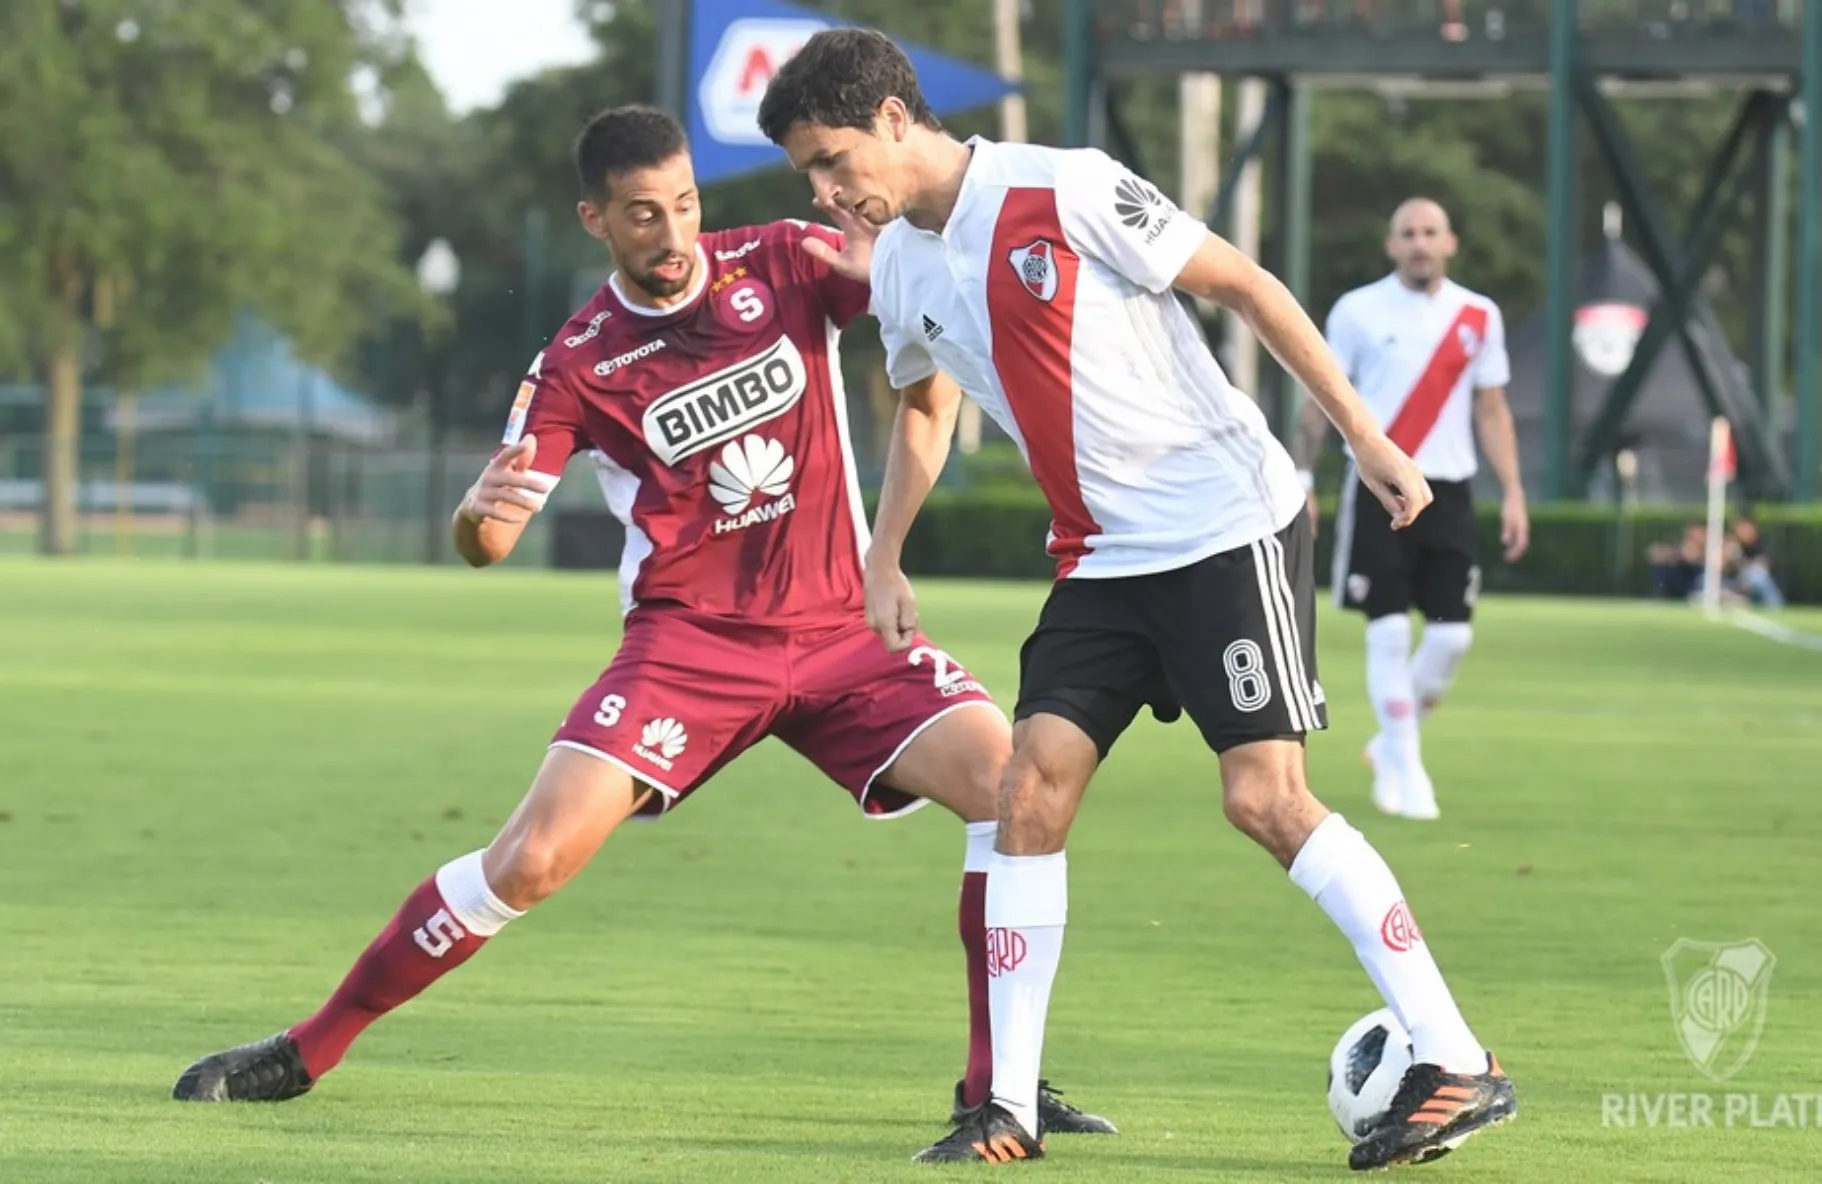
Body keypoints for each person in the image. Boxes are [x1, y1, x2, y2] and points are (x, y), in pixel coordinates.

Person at [170, 104, 1116, 1148]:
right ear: (594, 220)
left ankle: (1001, 1084)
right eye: (639, 216)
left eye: (683, 206)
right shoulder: (579, 358)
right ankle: (309, 1047)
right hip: (690, 650)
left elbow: (918, 292)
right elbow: (487, 540)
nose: (670, 237)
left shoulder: (787, 261)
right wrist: (472, 515)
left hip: (846, 632)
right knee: (529, 857)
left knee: (1013, 788)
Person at [758, 29, 1517, 1172]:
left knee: (1264, 798)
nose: (825, 191)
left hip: (1224, 526)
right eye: (807, 175)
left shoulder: (1061, 186)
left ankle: (1455, 1055)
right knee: (1030, 788)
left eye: (829, 160)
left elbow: (1247, 286)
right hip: (1101, 558)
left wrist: (1368, 438)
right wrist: (883, 553)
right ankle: (1004, 1106)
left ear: (894, 120)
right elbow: (925, 411)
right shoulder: (901, 264)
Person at [1295, 198, 1529, 821]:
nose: (1420, 243)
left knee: (1452, 637)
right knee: (1391, 628)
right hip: (1379, 486)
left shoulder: (1479, 315)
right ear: (1391, 245)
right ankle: (1406, 764)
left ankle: (1391, 743)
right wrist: (1301, 476)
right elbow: (1321, 397)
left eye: (1430, 233)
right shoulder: (1357, 310)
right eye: (1408, 234)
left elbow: (1491, 408)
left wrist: (1513, 491)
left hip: (1449, 489)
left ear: (1450, 242)